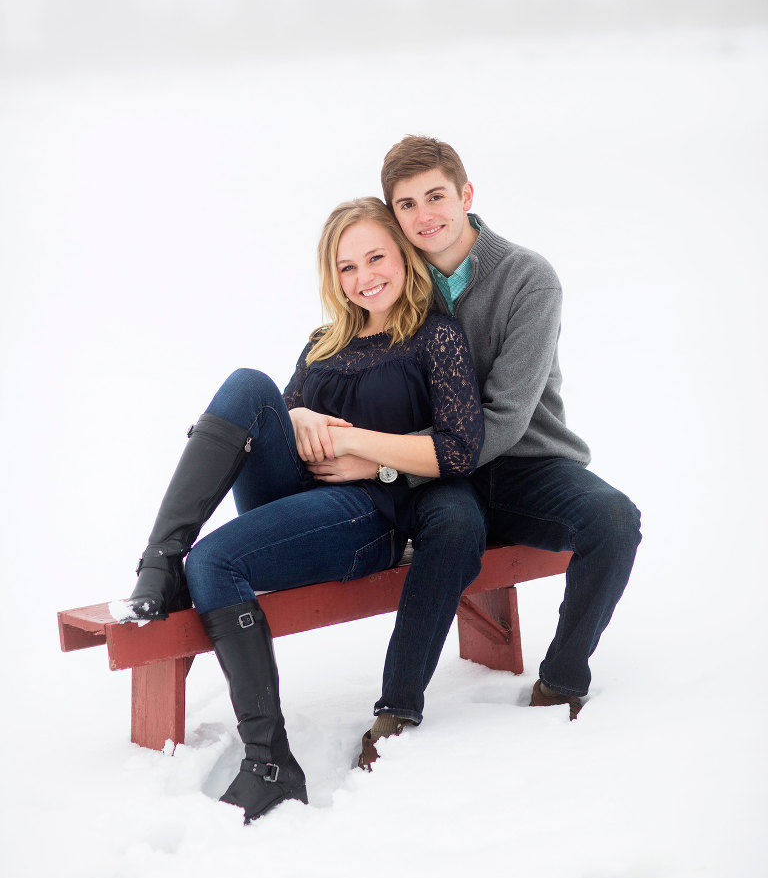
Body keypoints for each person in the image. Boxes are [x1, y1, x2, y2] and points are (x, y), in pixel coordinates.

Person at [112, 195, 484, 823]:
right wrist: (301, 414)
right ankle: (160, 559)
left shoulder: (434, 337)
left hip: (369, 517)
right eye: (346, 267)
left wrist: (372, 458)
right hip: (298, 499)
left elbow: (459, 448)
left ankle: (269, 760)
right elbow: (266, 427)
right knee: (248, 384)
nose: (363, 277)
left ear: (403, 255)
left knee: (217, 562)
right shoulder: (322, 344)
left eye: (375, 257)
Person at [307, 137, 642, 764]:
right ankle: (396, 709)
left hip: (525, 463)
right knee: (453, 528)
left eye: (436, 196)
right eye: (406, 204)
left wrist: (384, 462)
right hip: (438, 476)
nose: (424, 215)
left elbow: (509, 420)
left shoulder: (527, 278)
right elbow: (354, 357)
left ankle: (562, 679)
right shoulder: (397, 277)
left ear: (465, 194)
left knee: (614, 519)